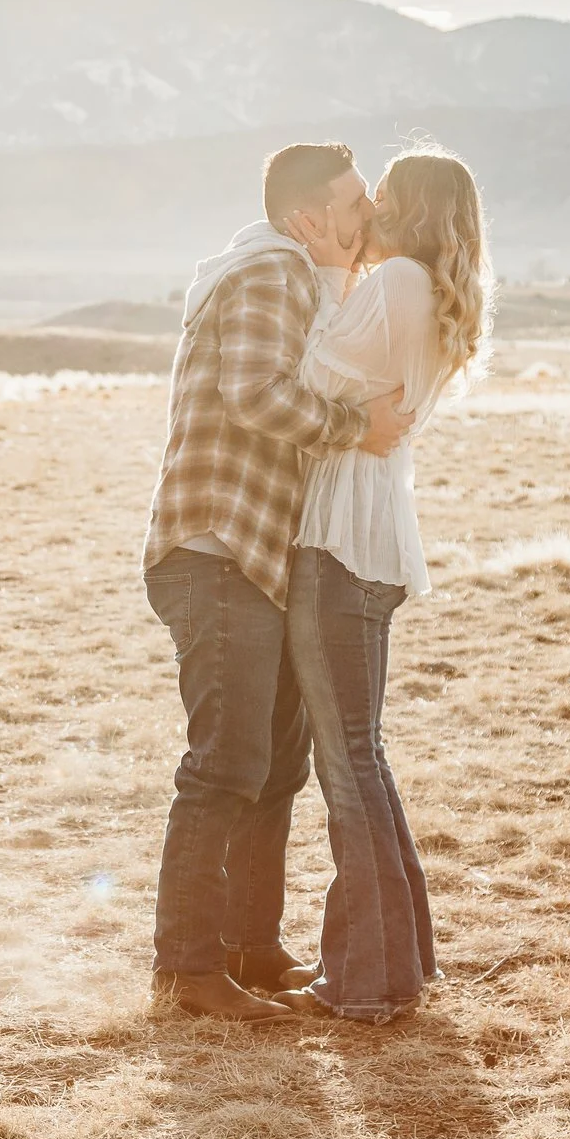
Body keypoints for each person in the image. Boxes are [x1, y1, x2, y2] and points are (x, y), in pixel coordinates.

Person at [141, 143, 411, 1023]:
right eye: (352, 204)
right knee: (226, 764)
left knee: (275, 765)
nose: (365, 218)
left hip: (255, 552)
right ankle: (189, 970)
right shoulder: (273, 273)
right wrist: (353, 428)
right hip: (219, 546)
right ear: (305, 217)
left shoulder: (300, 275)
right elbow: (254, 390)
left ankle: (249, 947)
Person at [271, 147, 486, 1023]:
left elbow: (311, 374)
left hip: (340, 545)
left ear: (415, 212)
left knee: (348, 766)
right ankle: (400, 964)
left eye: (386, 195)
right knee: (364, 758)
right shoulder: (421, 291)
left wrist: (326, 273)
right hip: (371, 544)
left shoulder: (394, 283)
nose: (373, 207)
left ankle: (363, 979)